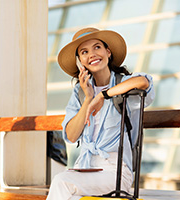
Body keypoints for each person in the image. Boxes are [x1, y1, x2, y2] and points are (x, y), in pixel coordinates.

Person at [47, 27, 155, 200]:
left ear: (108, 52)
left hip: (116, 171)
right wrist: (88, 99)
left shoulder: (122, 83)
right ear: (80, 61)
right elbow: (71, 136)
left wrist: (104, 96)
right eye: (84, 52)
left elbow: (143, 82)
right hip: (85, 168)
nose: (92, 54)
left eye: (97, 47)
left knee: (61, 183)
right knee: (68, 193)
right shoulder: (79, 93)